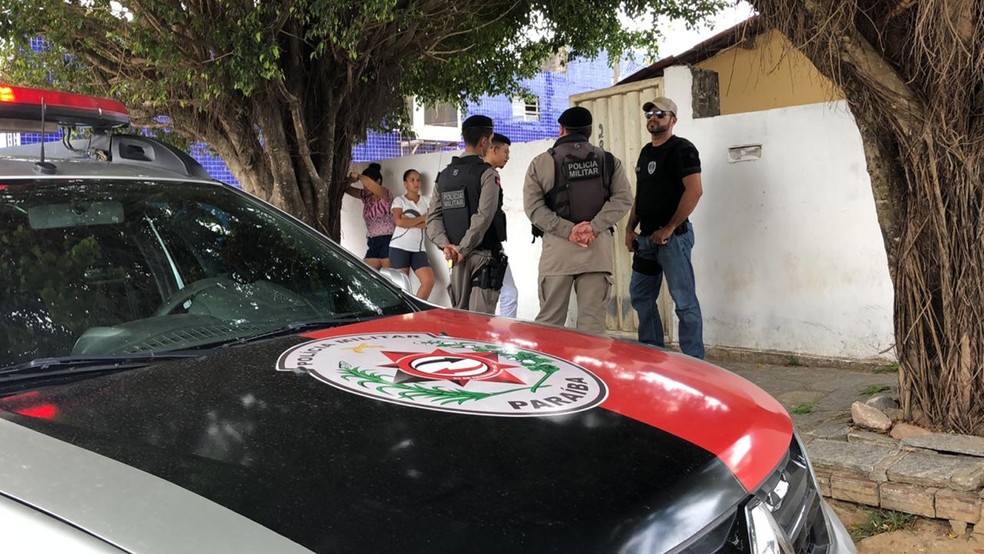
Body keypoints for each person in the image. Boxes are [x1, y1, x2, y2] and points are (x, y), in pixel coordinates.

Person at [523, 106, 632, 334]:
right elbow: (623, 199)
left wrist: (568, 231)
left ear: (561, 129)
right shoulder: (608, 161)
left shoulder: (541, 163)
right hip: (596, 252)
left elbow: (534, 208)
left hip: (557, 255)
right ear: (589, 131)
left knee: (549, 325)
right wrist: (593, 227)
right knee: (592, 328)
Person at [625, 97, 705, 359]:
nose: (653, 117)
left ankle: (694, 362)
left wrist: (670, 227)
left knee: (684, 302)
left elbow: (695, 191)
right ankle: (652, 353)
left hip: (673, 240)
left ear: (673, 120)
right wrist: (629, 229)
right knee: (640, 295)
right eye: (649, 113)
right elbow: (641, 195)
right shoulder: (645, 152)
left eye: (660, 113)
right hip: (646, 241)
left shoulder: (683, 149)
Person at [426, 115, 507, 314]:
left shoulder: (444, 176)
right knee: (480, 321)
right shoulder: (487, 174)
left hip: (455, 259)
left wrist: (446, 246)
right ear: (484, 141)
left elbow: (432, 217)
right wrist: (461, 249)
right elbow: (484, 216)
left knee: (460, 317)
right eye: (491, 140)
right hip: (481, 257)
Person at [484, 133, 518, 318]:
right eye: (505, 151)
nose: (508, 156)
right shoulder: (487, 175)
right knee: (508, 294)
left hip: (485, 245)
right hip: (487, 246)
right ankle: (504, 333)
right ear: (493, 149)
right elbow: (484, 214)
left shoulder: (484, 173)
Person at [389, 169, 435, 300]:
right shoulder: (399, 200)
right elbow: (398, 222)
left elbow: (431, 223)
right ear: (405, 184)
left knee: (428, 281)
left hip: (418, 248)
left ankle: (415, 310)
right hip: (399, 247)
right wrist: (422, 219)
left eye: (418, 180)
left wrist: (408, 221)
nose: (416, 183)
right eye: (412, 180)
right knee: (401, 287)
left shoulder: (427, 200)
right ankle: (403, 311)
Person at [345, 162, 394, 269]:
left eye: (367, 183)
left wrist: (360, 176)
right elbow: (346, 189)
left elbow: (369, 184)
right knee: (365, 272)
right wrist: (350, 180)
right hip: (372, 241)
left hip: (387, 240)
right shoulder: (366, 196)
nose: (365, 186)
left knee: (389, 275)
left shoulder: (385, 194)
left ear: (378, 181)